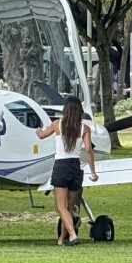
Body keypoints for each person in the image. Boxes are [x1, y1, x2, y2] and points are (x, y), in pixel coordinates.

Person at [36, 96, 99, 245]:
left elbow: (42, 135)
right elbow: (89, 150)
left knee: (60, 206)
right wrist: (93, 172)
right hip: (75, 167)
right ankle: (61, 239)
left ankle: (72, 235)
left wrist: (38, 130)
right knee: (70, 207)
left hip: (61, 166)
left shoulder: (57, 124)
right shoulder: (85, 128)